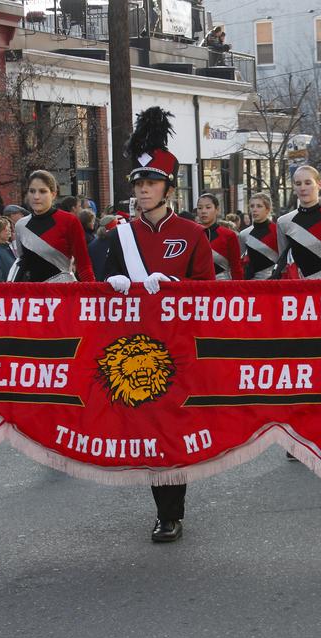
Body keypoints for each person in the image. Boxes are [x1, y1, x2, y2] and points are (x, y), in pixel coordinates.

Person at [102, 107, 215, 543]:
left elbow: (209, 293)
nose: (143, 190)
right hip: (132, 348)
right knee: (148, 428)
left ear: (168, 188)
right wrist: (111, 285)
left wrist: (177, 289)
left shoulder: (190, 234)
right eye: (138, 183)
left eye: (151, 183)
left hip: (179, 346)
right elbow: (95, 292)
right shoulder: (118, 236)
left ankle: (171, 513)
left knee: (170, 427)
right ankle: (164, 507)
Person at [11, 170, 94, 283]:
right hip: (34, 295)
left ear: (53, 194)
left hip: (64, 292)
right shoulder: (20, 225)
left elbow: (83, 264)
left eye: (42, 191)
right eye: (32, 191)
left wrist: (91, 292)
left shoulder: (69, 221)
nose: (36, 196)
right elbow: (22, 263)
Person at [196, 193, 242, 280]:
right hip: (198, 287)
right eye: (200, 208)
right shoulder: (191, 234)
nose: (203, 211)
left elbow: (236, 267)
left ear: (217, 209)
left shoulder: (229, 235)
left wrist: (238, 290)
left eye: (208, 207)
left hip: (224, 287)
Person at [238, 192, 278, 280]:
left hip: (274, 282)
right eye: (252, 206)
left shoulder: (278, 231)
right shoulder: (244, 234)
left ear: (267, 209)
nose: (254, 210)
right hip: (251, 285)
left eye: (259, 206)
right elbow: (239, 262)